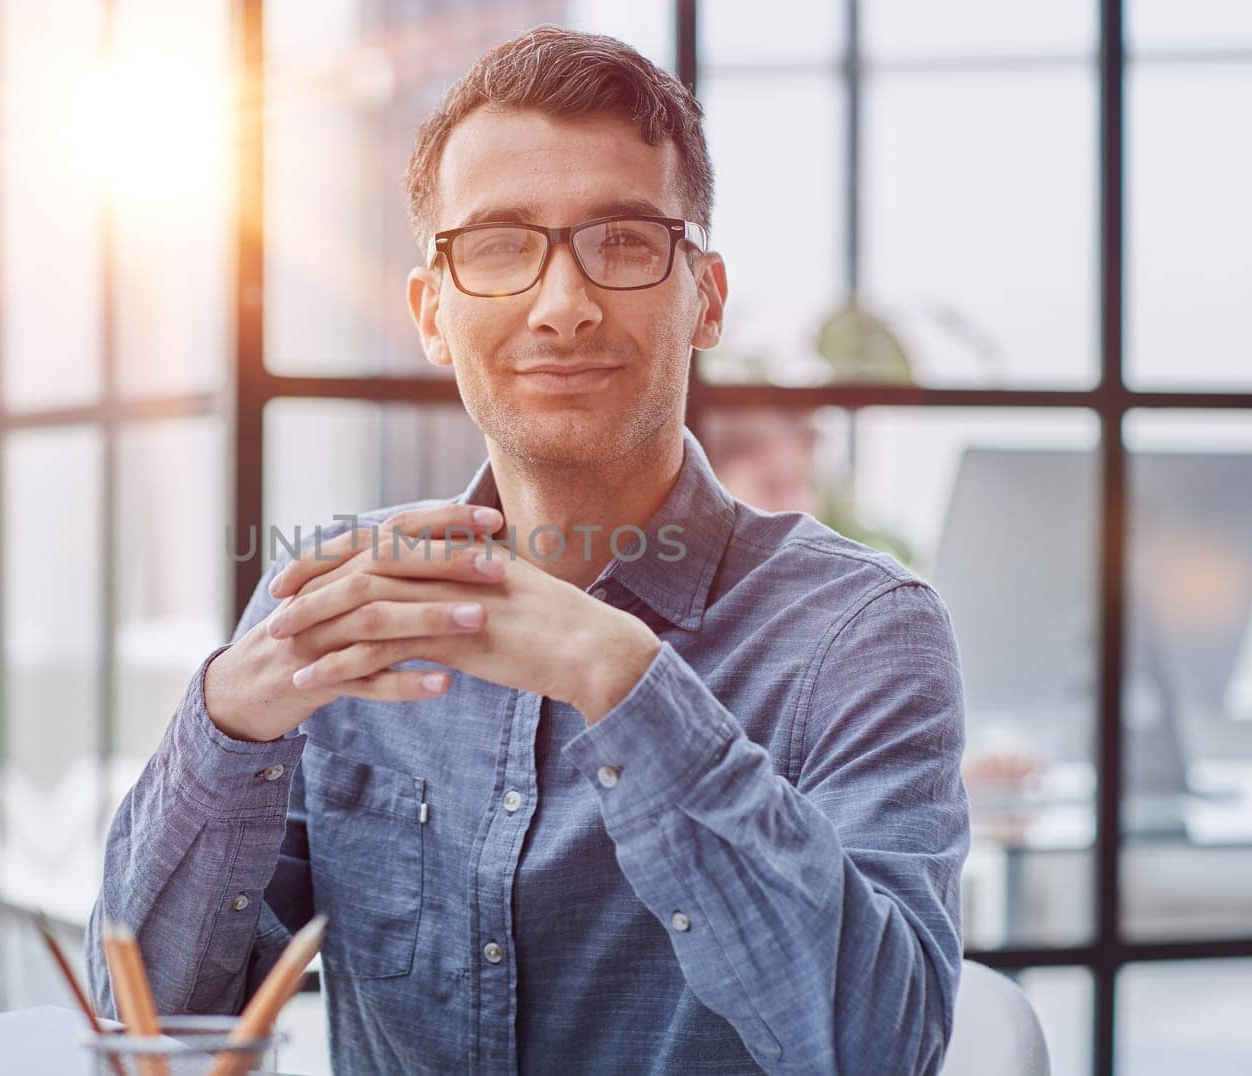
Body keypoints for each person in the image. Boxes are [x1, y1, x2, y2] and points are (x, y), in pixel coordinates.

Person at [88, 24, 968, 1075]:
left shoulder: (861, 632)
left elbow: (880, 1050)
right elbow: (148, 1022)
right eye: (499, 246)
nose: (564, 304)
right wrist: (228, 720)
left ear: (706, 298)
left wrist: (625, 680)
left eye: (624, 242)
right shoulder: (342, 602)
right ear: (430, 311)